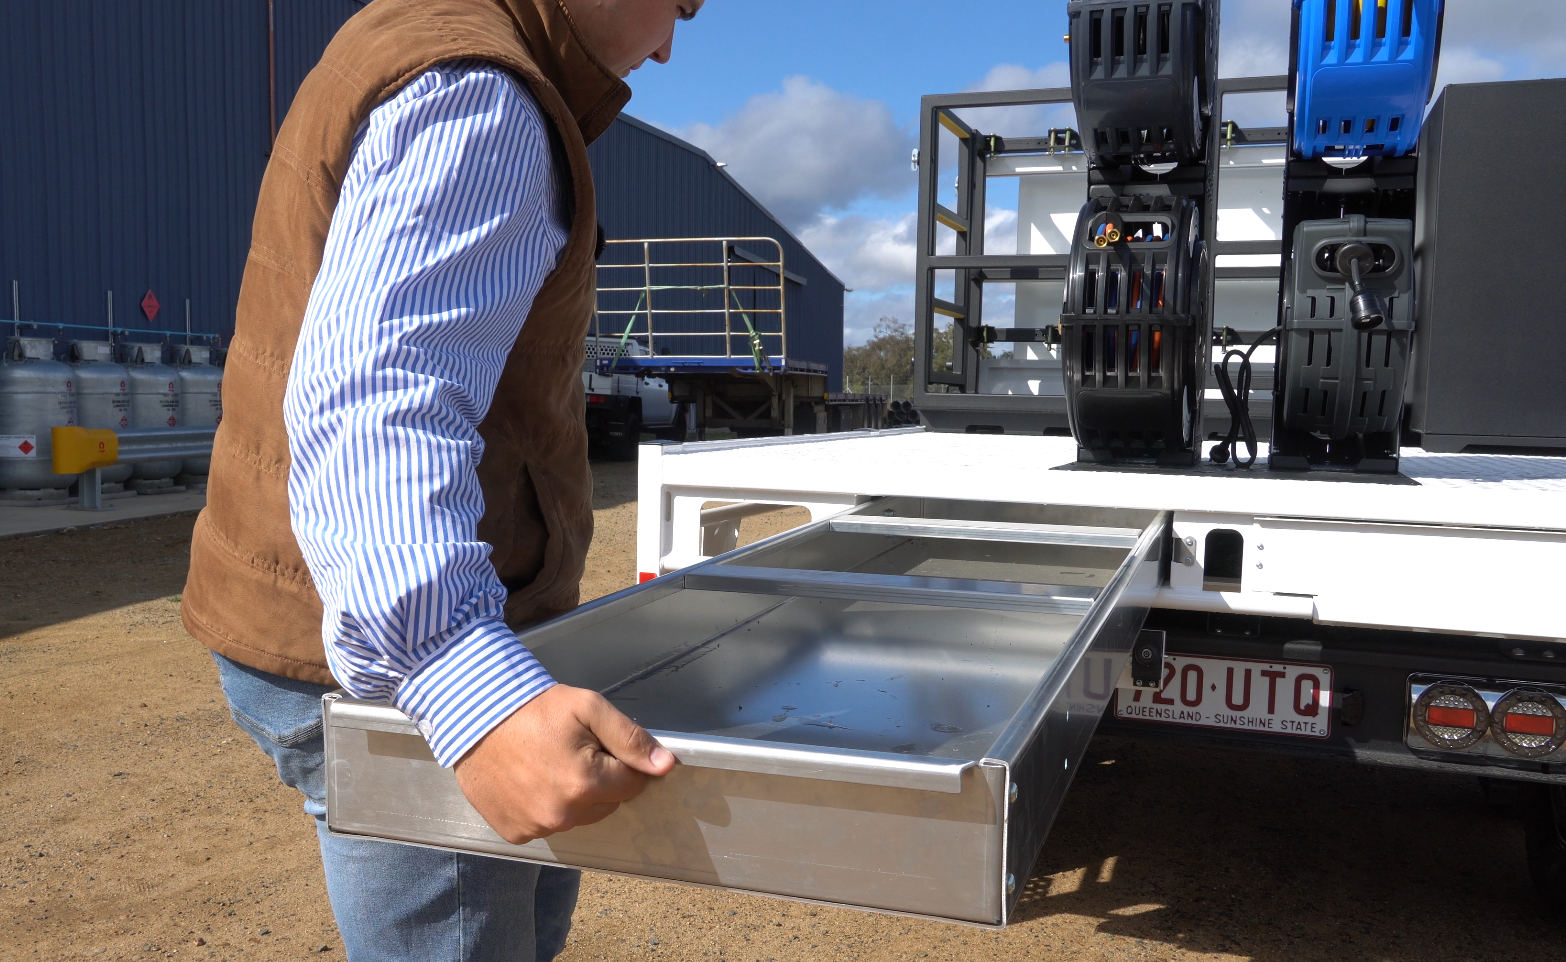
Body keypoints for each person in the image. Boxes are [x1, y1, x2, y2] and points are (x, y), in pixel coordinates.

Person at [180, 1, 701, 958]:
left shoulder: (418, 34)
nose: (671, 41)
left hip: (314, 611)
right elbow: (381, 395)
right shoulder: (483, 93)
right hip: (388, 667)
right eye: (685, 0)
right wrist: (463, 681)